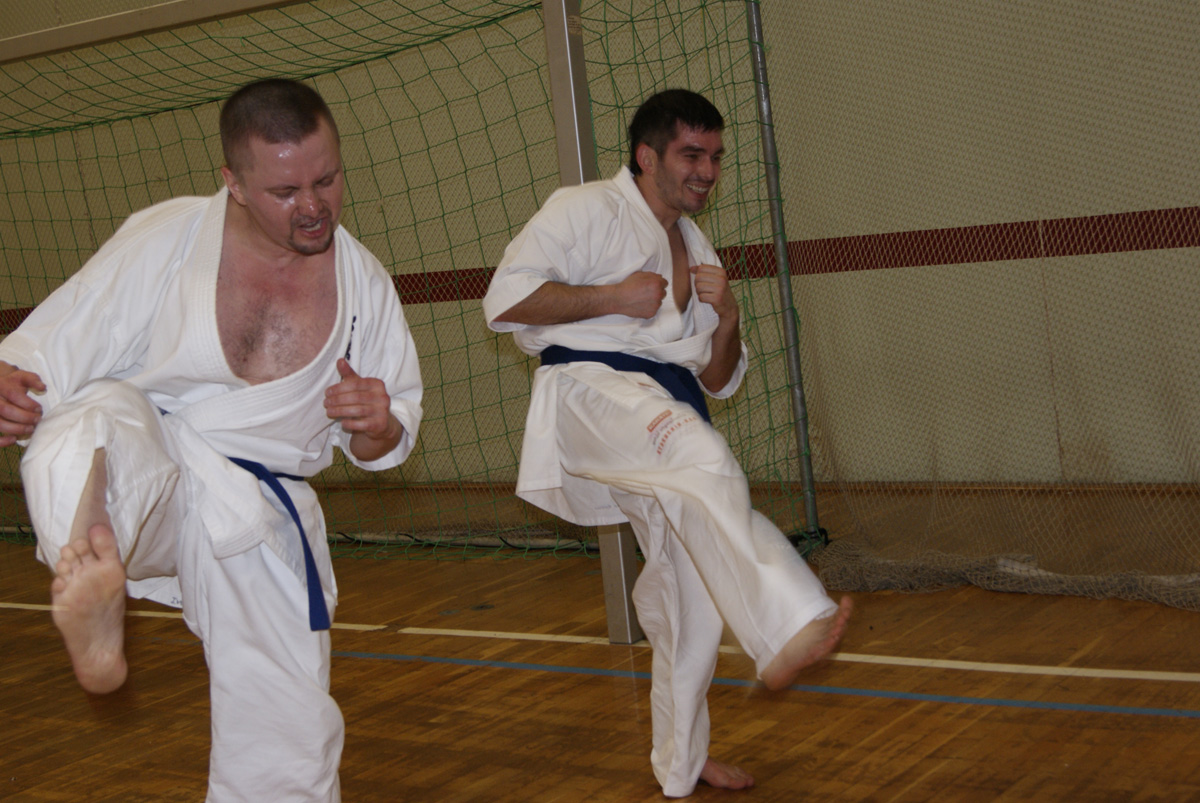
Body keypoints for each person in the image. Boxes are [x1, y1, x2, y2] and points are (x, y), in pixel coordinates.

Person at [0, 79, 423, 801]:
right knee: (88, 416)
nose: (313, 205)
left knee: (286, 732)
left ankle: (97, 553)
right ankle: (91, 559)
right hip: (147, 473)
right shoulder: (169, 237)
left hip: (256, 509)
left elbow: (387, 441)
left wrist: (378, 423)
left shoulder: (364, 286)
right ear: (233, 182)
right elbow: (60, 336)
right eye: (285, 190)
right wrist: (12, 382)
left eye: (327, 179)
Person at [483, 88, 851, 797]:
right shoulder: (585, 207)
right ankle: (787, 624)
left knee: (692, 599)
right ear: (647, 156)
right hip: (592, 391)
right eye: (691, 154)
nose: (707, 170)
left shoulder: (696, 246)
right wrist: (611, 297)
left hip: (665, 407)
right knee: (703, 457)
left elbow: (717, 378)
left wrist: (728, 315)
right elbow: (504, 300)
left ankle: (680, 766)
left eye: (715, 156)